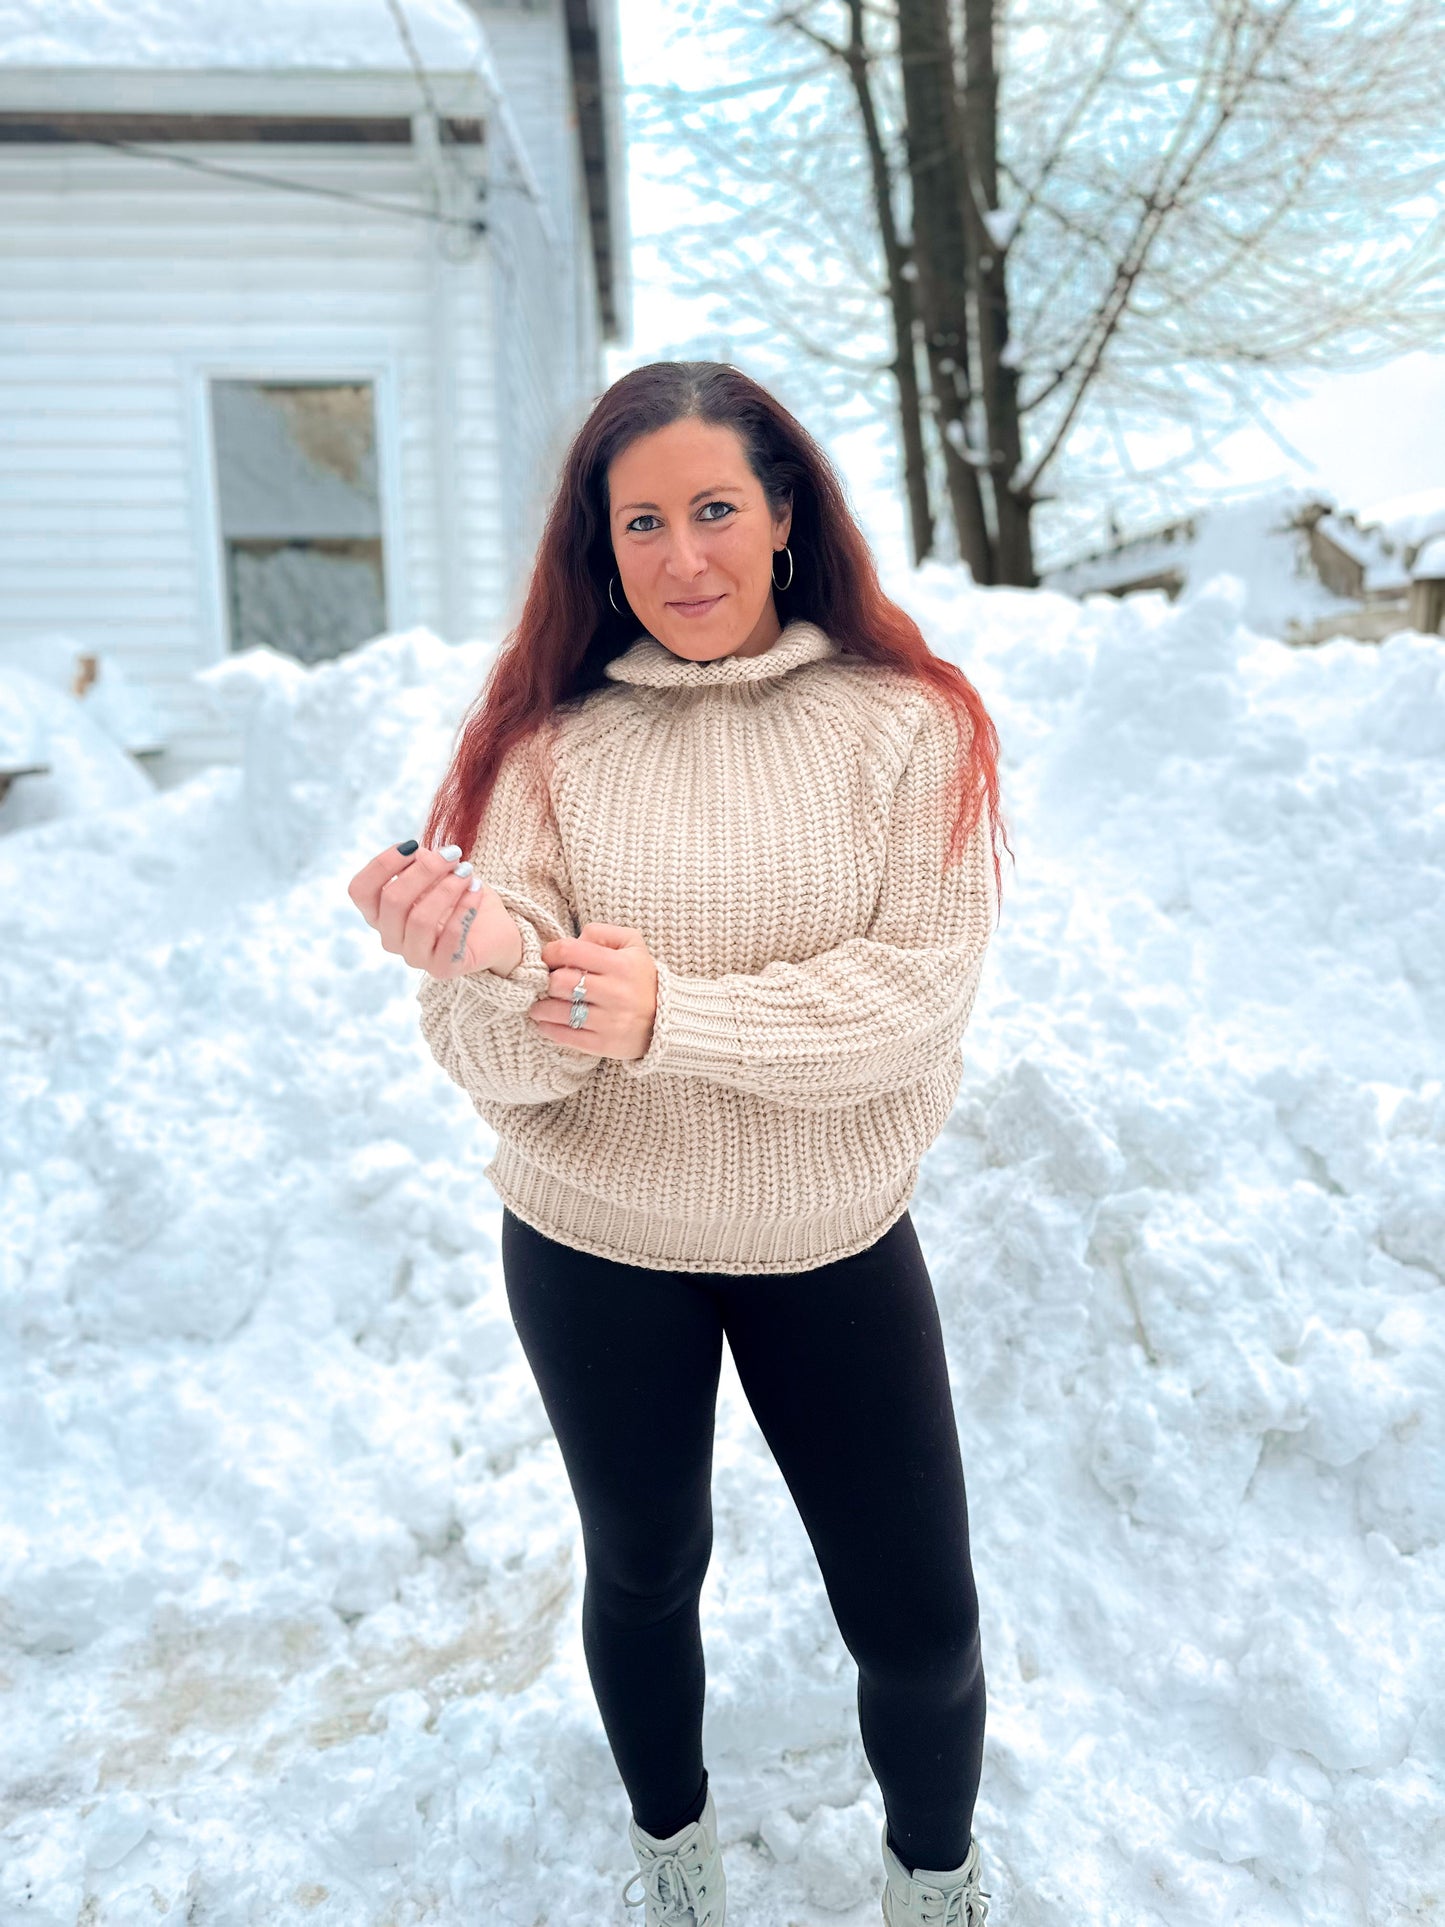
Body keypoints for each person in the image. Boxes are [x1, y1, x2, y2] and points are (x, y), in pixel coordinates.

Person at [348, 361, 1008, 1927]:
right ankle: (672, 1852)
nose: (682, 555)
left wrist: (669, 1020)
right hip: (593, 1242)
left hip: (830, 1237)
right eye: (640, 521)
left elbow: (909, 1002)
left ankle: (936, 1884)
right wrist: (490, 965)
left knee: (920, 1626)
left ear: (785, 517)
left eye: (715, 508)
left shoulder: (908, 729)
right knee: (643, 1568)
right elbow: (494, 1066)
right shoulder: (545, 746)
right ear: (600, 544)